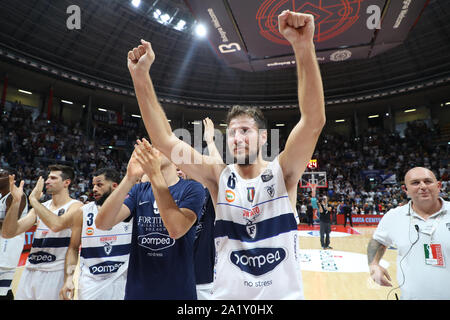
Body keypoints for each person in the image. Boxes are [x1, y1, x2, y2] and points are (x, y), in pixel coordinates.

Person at [126, 9, 325, 299]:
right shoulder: (218, 176)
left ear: (263, 137)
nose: (237, 138)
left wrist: (303, 46)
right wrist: (141, 77)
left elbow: (313, 120)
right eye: (232, 132)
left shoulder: (284, 171)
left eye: (245, 130)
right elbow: (164, 139)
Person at [95, 140, 205, 300]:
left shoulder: (192, 189)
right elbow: (102, 223)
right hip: (138, 292)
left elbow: (176, 229)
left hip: (178, 292)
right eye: (152, 148)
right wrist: (129, 178)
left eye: (160, 147)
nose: (152, 152)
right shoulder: (139, 190)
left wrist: (154, 175)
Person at [367, 167, 450, 300]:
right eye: (415, 183)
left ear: (439, 186)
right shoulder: (393, 217)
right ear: (405, 190)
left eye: (428, 181)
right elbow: (378, 241)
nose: (423, 186)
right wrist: (373, 264)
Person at [2, 164, 82, 300]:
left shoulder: (76, 206)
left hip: (54, 272)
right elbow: (8, 233)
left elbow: (57, 224)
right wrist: (16, 202)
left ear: (66, 183)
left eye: (53, 178)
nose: (47, 181)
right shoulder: (41, 207)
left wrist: (33, 199)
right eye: (47, 178)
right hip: (30, 269)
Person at [60, 168, 132, 300]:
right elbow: (73, 248)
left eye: (99, 184)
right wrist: (69, 279)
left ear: (114, 186)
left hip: (122, 283)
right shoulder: (83, 212)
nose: (94, 189)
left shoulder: (131, 211)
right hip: (90, 285)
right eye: (93, 185)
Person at [0, 169, 28, 300]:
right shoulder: (2, 197)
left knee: (2, 291)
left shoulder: (16, 196)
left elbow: (10, 224)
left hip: (8, 248)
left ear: (12, 178)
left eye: (1, 175)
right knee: (4, 289)